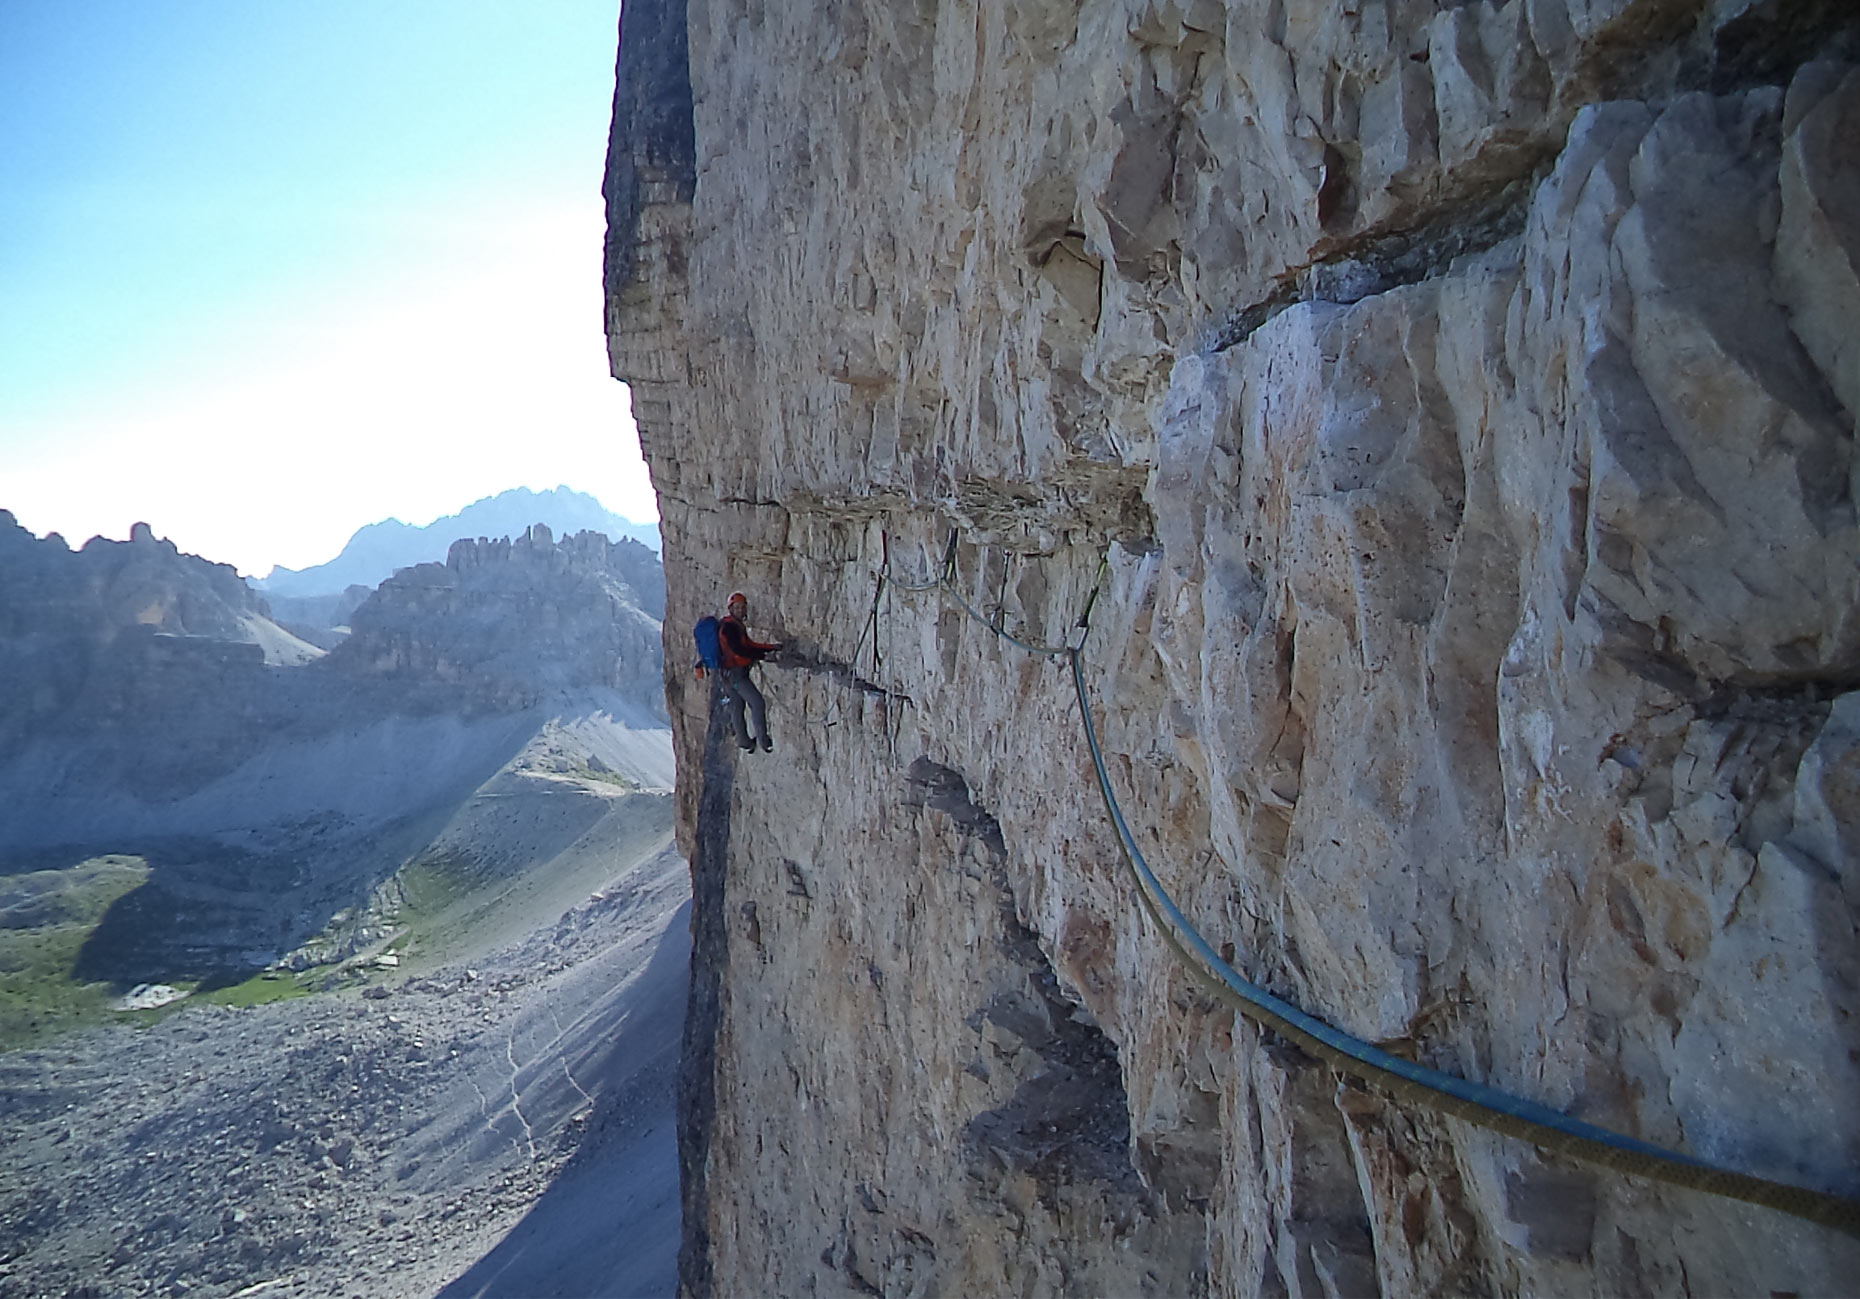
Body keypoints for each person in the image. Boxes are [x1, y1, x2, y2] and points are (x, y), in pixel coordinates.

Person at [716, 591, 781, 753]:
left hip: (728, 675)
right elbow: (740, 650)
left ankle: (744, 742)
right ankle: (764, 741)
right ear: (731, 609)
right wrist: (763, 655)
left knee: (737, 706)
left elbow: (749, 645)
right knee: (757, 702)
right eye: (737, 607)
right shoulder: (730, 628)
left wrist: (770, 648)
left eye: (742, 607)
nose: (740, 610)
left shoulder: (733, 625)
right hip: (736, 674)